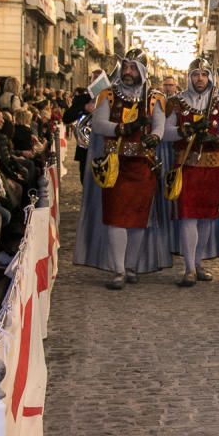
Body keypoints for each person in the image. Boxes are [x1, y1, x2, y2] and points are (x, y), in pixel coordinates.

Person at [80, 50, 166, 289]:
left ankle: (130, 266)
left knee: (138, 219)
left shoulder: (154, 98)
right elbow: (98, 124)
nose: (127, 72)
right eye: (125, 66)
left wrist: (155, 138)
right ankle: (117, 269)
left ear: (142, 72)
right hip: (115, 165)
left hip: (142, 165)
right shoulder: (108, 95)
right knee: (116, 218)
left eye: (133, 68)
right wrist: (124, 128)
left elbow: (159, 125)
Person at [162, 58, 219, 287]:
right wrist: (185, 130)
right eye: (195, 74)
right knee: (188, 216)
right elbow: (165, 132)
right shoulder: (177, 103)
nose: (200, 79)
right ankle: (189, 267)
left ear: (210, 77)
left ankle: (199, 262)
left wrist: (217, 138)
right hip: (187, 166)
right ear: (189, 77)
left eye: (204, 74)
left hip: (212, 166)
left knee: (207, 219)